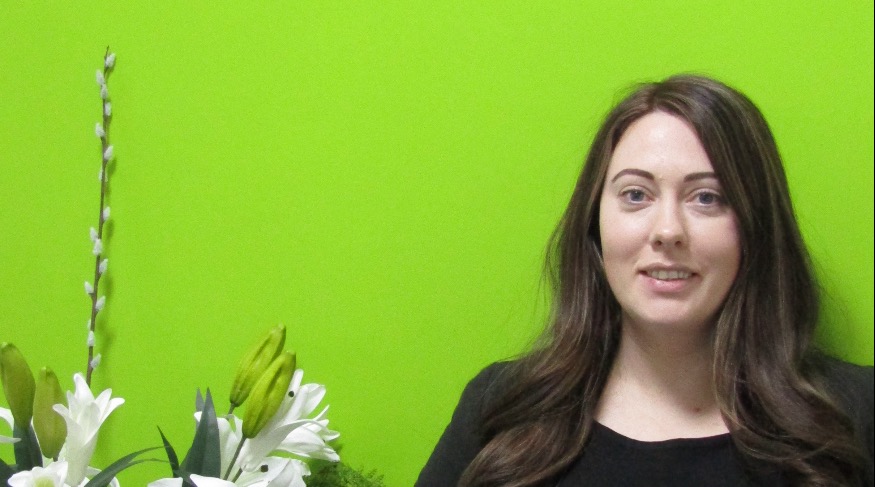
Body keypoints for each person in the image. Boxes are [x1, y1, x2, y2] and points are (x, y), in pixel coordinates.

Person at [416, 75, 874, 487]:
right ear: (595, 225)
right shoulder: (503, 409)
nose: (668, 231)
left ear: (756, 228)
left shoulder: (854, 414)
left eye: (707, 198)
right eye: (636, 194)